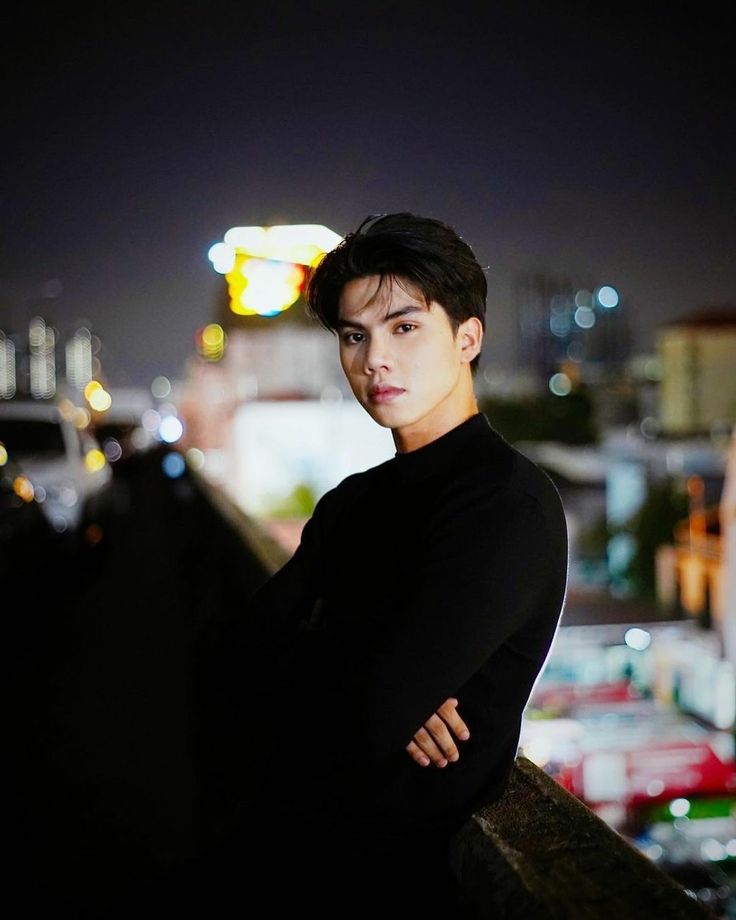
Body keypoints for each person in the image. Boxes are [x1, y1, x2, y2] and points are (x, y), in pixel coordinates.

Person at [119, 213, 568, 918]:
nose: (374, 360)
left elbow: (361, 718)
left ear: (467, 338)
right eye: (354, 336)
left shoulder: (507, 507)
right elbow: (234, 659)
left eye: (403, 327)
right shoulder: (354, 503)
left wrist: (341, 652)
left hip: (391, 886)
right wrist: (373, 661)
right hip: (278, 853)